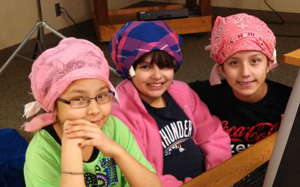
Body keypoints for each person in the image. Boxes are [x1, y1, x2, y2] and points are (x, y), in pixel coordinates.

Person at [22, 37, 162, 187]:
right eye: (78, 99)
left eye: (101, 96)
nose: (95, 110)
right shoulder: (41, 153)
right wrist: (71, 156)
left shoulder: (114, 128)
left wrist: (117, 152)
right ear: (53, 105)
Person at [109, 20, 231, 186]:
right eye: (145, 67)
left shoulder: (183, 93)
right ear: (129, 70)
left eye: (165, 66)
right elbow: (140, 169)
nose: (157, 76)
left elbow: (211, 134)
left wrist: (217, 172)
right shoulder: (121, 112)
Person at [189, 13, 292, 155]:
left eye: (254, 61)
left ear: (269, 64)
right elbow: (169, 90)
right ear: (222, 69)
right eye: (234, 63)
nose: (245, 72)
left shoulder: (289, 102)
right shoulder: (205, 95)